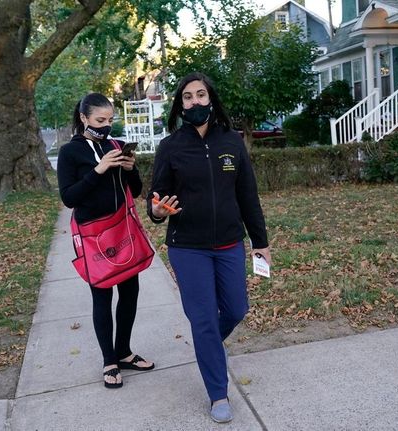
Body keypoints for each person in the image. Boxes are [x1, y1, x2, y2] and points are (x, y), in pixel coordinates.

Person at [147, 72, 270, 423]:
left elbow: (248, 196)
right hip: (187, 247)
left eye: (201, 95)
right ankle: (218, 393)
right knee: (202, 320)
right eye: (187, 97)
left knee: (235, 310)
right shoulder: (170, 146)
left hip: (230, 243)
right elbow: (156, 199)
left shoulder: (232, 142)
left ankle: (207, 346)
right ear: (180, 105)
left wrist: (260, 243)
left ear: (211, 100)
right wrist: (156, 212)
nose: (195, 102)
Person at [57, 93, 155, 387]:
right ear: (84, 118)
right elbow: (69, 198)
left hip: (122, 230)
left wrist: (130, 168)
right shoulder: (70, 153)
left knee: (130, 292)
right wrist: (99, 170)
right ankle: (109, 361)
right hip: (93, 236)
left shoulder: (114, 146)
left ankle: (124, 352)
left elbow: (135, 191)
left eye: (110, 120)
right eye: (100, 120)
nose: (106, 126)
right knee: (102, 295)